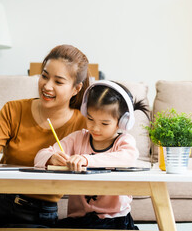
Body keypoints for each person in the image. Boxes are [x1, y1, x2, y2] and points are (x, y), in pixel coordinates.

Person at [0, 44, 90, 228]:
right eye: (44, 76)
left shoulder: (83, 125)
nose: (47, 86)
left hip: (39, 213)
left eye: (58, 82)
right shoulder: (13, 110)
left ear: (76, 89)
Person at [34, 80, 149, 230]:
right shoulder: (77, 138)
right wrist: (51, 158)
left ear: (122, 122)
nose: (95, 128)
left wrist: (86, 159)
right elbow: (39, 157)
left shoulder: (123, 142)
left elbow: (127, 158)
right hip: (79, 220)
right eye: (90, 119)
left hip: (115, 220)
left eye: (105, 123)